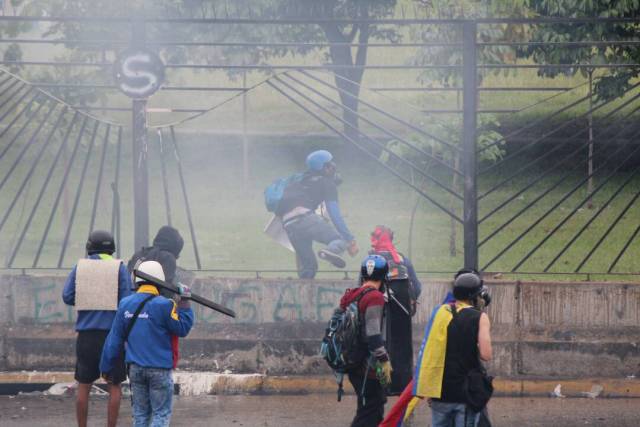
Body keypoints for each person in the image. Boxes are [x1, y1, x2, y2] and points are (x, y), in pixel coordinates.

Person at [100, 260, 194, 427]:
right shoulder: (165, 305)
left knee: (140, 416)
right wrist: (185, 302)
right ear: (160, 282)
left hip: (135, 370)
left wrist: (106, 367)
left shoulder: (125, 304)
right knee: (160, 415)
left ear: (137, 282)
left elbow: (114, 340)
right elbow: (182, 328)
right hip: (159, 369)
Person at [62, 230, 132, 427]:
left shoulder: (80, 267)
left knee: (84, 385)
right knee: (114, 385)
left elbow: (67, 296)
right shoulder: (119, 268)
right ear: (112, 248)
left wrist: (89, 296)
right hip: (112, 336)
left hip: (86, 336)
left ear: (89, 247)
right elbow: (126, 301)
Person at [277, 150, 358, 278]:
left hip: (288, 224)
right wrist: (349, 239)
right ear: (324, 168)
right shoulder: (327, 183)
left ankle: (303, 293)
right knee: (340, 239)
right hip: (304, 217)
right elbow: (334, 214)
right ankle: (330, 251)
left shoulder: (299, 181)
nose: (333, 167)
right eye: (331, 165)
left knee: (309, 266)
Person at [429, 269, 493, 427]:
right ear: (474, 296)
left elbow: (429, 351)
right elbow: (486, 354)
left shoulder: (439, 313)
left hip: (439, 392)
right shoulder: (479, 317)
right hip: (464, 394)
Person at [339, 255, 392, 427]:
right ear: (384, 277)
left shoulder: (351, 295)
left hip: (351, 360)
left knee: (371, 408)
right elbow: (373, 334)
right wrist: (384, 360)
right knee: (371, 409)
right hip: (366, 365)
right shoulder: (374, 297)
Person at [369, 225, 423, 395]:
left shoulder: (370, 261)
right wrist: (409, 298)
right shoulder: (402, 260)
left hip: (376, 314)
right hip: (401, 314)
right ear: (391, 239)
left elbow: (361, 287)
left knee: (378, 344)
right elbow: (417, 287)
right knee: (402, 347)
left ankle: (381, 385)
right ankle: (402, 387)